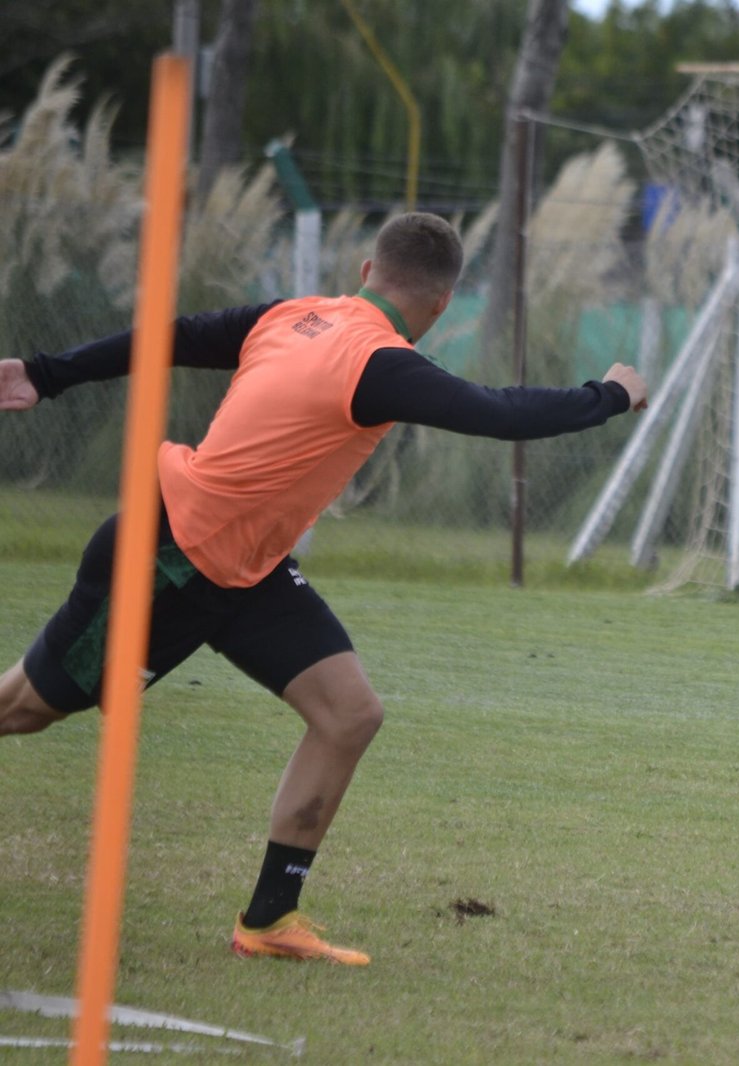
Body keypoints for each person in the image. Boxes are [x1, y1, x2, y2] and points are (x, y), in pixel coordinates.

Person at [0, 212, 648, 966]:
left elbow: (173, 334)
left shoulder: (290, 315)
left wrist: (46, 374)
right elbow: (499, 413)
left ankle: (269, 921)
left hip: (249, 568)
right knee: (22, 709)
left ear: (368, 271)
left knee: (349, 715)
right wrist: (609, 393)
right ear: (440, 308)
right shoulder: (381, 363)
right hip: (172, 556)